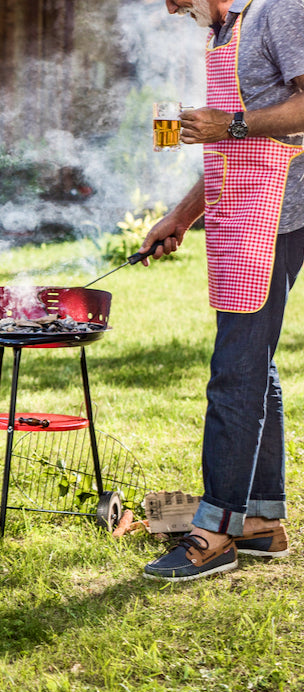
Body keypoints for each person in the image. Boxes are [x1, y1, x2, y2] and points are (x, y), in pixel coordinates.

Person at [139, 0, 304, 582]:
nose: (172, 6)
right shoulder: (223, 34)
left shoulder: (282, 9)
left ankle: (214, 533)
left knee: (234, 368)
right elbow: (231, 150)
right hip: (237, 207)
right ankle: (260, 521)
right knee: (252, 361)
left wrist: (227, 125)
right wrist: (182, 216)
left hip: (277, 212)